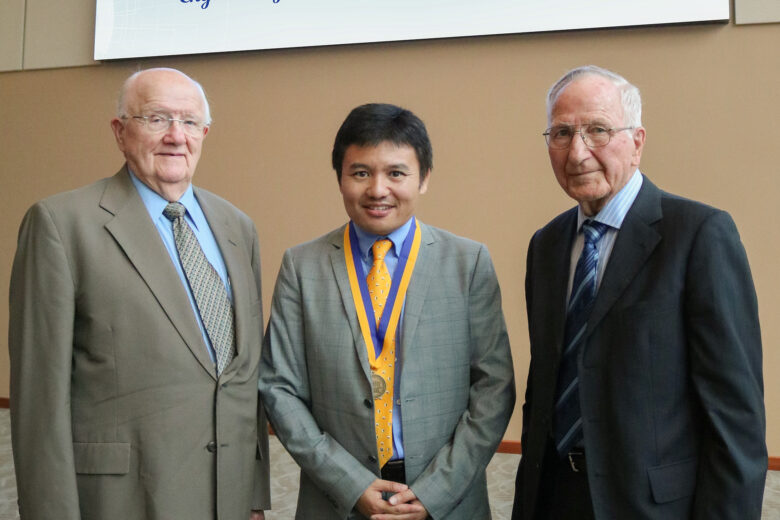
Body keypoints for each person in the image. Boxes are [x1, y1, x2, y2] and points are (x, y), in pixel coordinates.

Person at [8, 68, 270, 520]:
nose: (175, 136)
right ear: (120, 131)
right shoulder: (61, 224)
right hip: (119, 500)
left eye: (189, 122)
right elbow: (38, 399)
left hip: (225, 495)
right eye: (156, 118)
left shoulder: (236, 228)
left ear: (204, 133)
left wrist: (252, 498)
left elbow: (244, 379)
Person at [512, 65, 767, 519]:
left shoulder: (698, 234)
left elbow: (735, 420)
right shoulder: (546, 246)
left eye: (598, 130)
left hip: (652, 507)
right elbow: (545, 389)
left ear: (637, 141)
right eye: (561, 133)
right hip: (555, 498)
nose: (578, 151)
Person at [258, 103, 515, 519]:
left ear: (424, 178)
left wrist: (434, 492)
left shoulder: (467, 263)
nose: (378, 189)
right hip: (336, 500)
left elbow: (494, 387)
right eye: (361, 172)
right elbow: (279, 387)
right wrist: (350, 483)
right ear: (340, 178)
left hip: (446, 502)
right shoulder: (301, 267)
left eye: (396, 173)